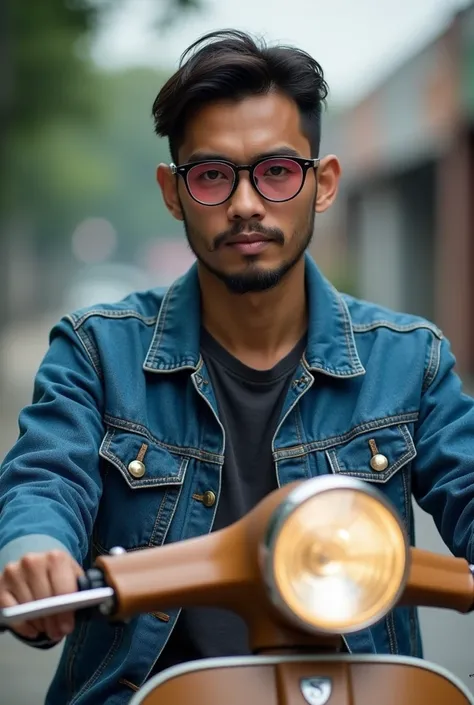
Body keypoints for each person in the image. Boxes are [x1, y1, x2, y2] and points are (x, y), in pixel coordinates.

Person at [0, 28, 473, 705]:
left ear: (325, 182)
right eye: (214, 175)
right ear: (173, 191)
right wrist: (35, 545)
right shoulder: (97, 350)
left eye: (277, 171)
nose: (247, 203)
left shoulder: (410, 358)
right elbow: (46, 475)